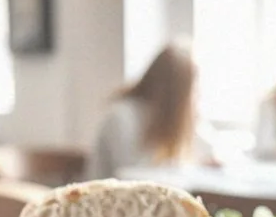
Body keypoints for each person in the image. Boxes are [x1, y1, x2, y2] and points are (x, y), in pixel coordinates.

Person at [88, 44, 218, 179]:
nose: (197, 95)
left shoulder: (176, 120)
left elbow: (210, 151)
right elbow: (131, 177)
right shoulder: (122, 117)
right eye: (193, 89)